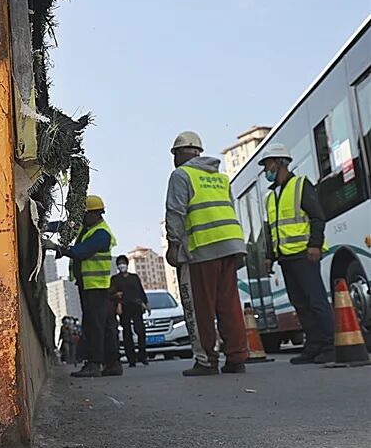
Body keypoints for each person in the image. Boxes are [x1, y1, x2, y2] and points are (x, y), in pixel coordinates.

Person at [164, 132, 249, 376]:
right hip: (230, 245)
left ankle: (206, 361)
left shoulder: (181, 175)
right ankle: (236, 358)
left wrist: (173, 245)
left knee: (201, 307)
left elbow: (175, 212)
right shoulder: (220, 178)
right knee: (229, 305)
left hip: (202, 249)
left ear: (180, 153)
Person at [258, 143, 335, 364]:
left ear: (280, 163)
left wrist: (314, 245)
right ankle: (314, 346)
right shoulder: (270, 197)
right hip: (285, 257)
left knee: (316, 301)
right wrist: (269, 257)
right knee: (300, 303)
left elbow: (317, 217)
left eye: (268, 165)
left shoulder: (301, 185)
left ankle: (329, 346)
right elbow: (271, 230)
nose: (266, 170)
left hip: (304, 254)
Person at [44, 195, 122, 377]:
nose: (81, 218)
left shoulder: (101, 234)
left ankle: (94, 364)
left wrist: (56, 247)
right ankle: (112, 364)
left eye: (83, 214)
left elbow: (81, 252)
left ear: (94, 213)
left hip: (96, 287)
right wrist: (47, 226)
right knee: (104, 326)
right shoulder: (87, 228)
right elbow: (66, 226)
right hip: (90, 286)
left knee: (93, 326)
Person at [110, 255, 150, 366]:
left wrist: (146, 303)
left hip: (136, 306)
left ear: (127, 264)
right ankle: (131, 359)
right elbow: (112, 293)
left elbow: (140, 291)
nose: (122, 265)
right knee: (127, 333)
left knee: (140, 330)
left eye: (123, 263)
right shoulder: (115, 279)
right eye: (119, 263)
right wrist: (117, 301)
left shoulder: (134, 277)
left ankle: (142, 355)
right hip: (124, 307)